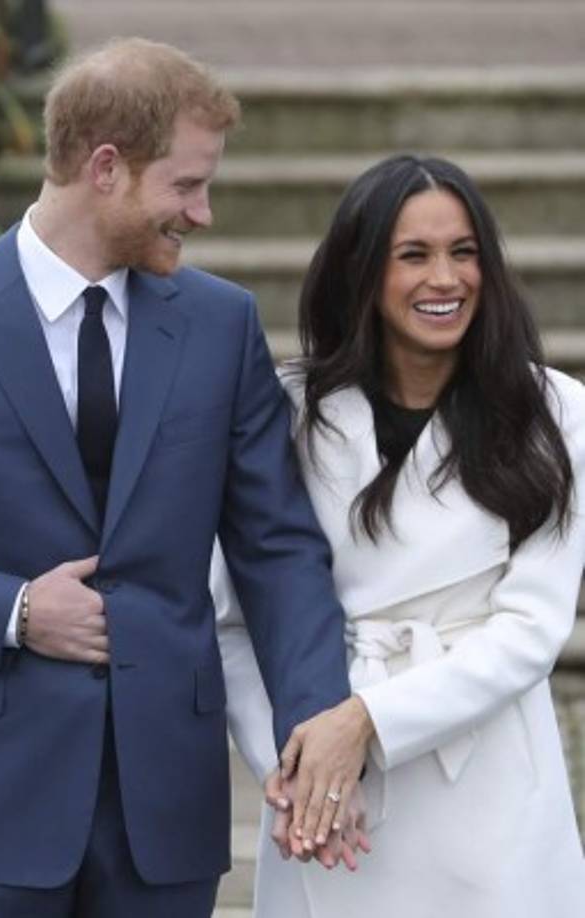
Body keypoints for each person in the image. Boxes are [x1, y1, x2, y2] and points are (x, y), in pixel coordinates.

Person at [0, 37, 371, 918]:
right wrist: (14, 610)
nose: (203, 212)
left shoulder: (220, 325)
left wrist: (315, 727)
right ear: (105, 167)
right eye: (186, 185)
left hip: (163, 812)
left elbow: (277, 548)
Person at [213, 153, 585, 917]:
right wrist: (298, 768)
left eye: (463, 252)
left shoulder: (554, 413)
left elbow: (531, 629)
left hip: (485, 784)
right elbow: (230, 618)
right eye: (412, 255)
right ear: (360, 271)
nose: (444, 279)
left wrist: (365, 723)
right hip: (326, 799)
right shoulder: (286, 412)